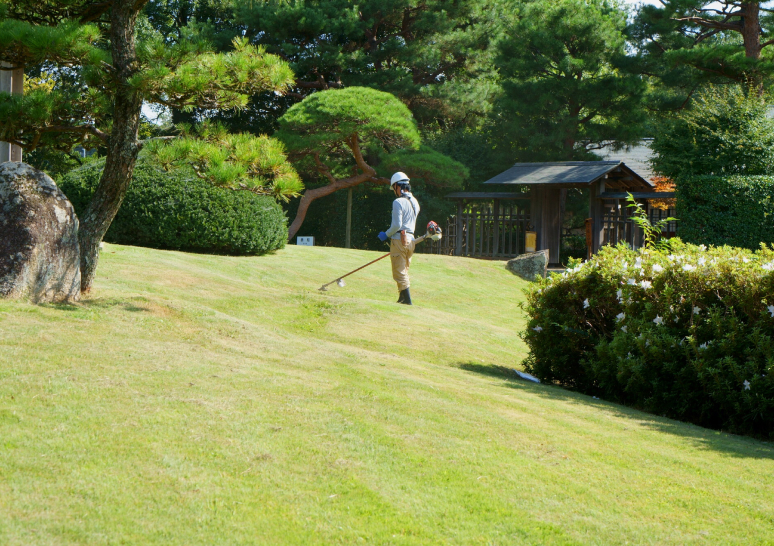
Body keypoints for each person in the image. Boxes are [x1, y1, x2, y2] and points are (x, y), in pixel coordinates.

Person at [378, 172, 420, 305]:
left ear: (398, 186)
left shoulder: (398, 202)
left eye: (394, 187)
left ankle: (407, 300)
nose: (394, 191)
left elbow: (396, 225)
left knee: (399, 271)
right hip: (411, 240)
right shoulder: (415, 202)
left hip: (399, 240)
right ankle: (401, 298)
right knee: (404, 269)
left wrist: (386, 234)